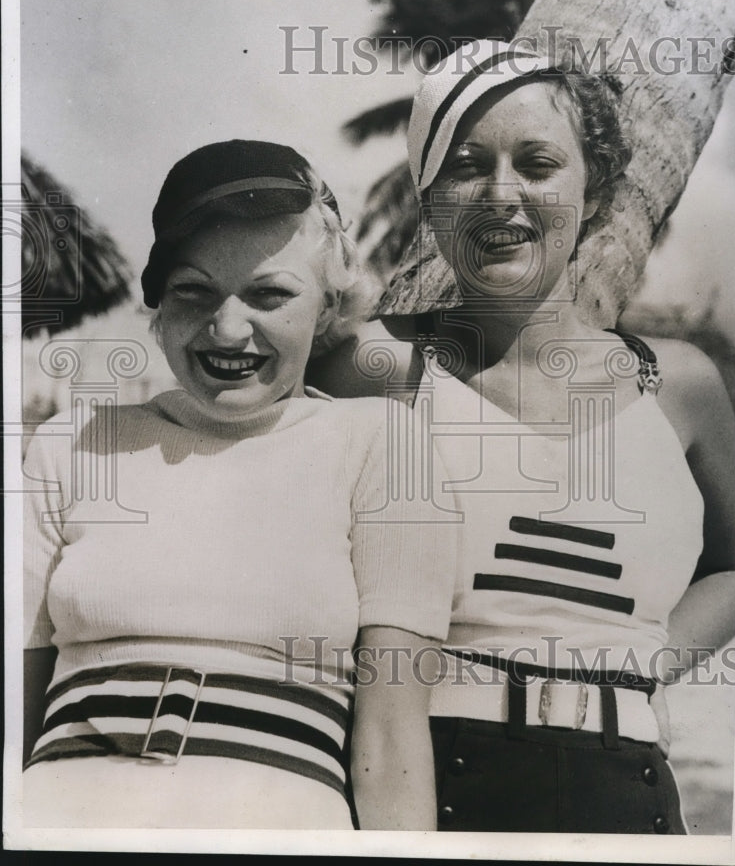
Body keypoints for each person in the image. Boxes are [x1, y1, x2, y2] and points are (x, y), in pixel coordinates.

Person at [307, 40, 735, 833]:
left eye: (537, 164)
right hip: (426, 778)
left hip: (633, 792)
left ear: (597, 190)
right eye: (467, 167)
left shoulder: (679, 385)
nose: (501, 195)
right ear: (431, 198)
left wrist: (646, 658)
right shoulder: (371, 364)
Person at [23, 139, 457, 830]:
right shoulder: (70, 446)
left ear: (324, 307)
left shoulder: (381, 446)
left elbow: (392, 739)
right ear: (158, 304)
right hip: (63, 821)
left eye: (269, 295)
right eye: (193, 291)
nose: (228, 329)